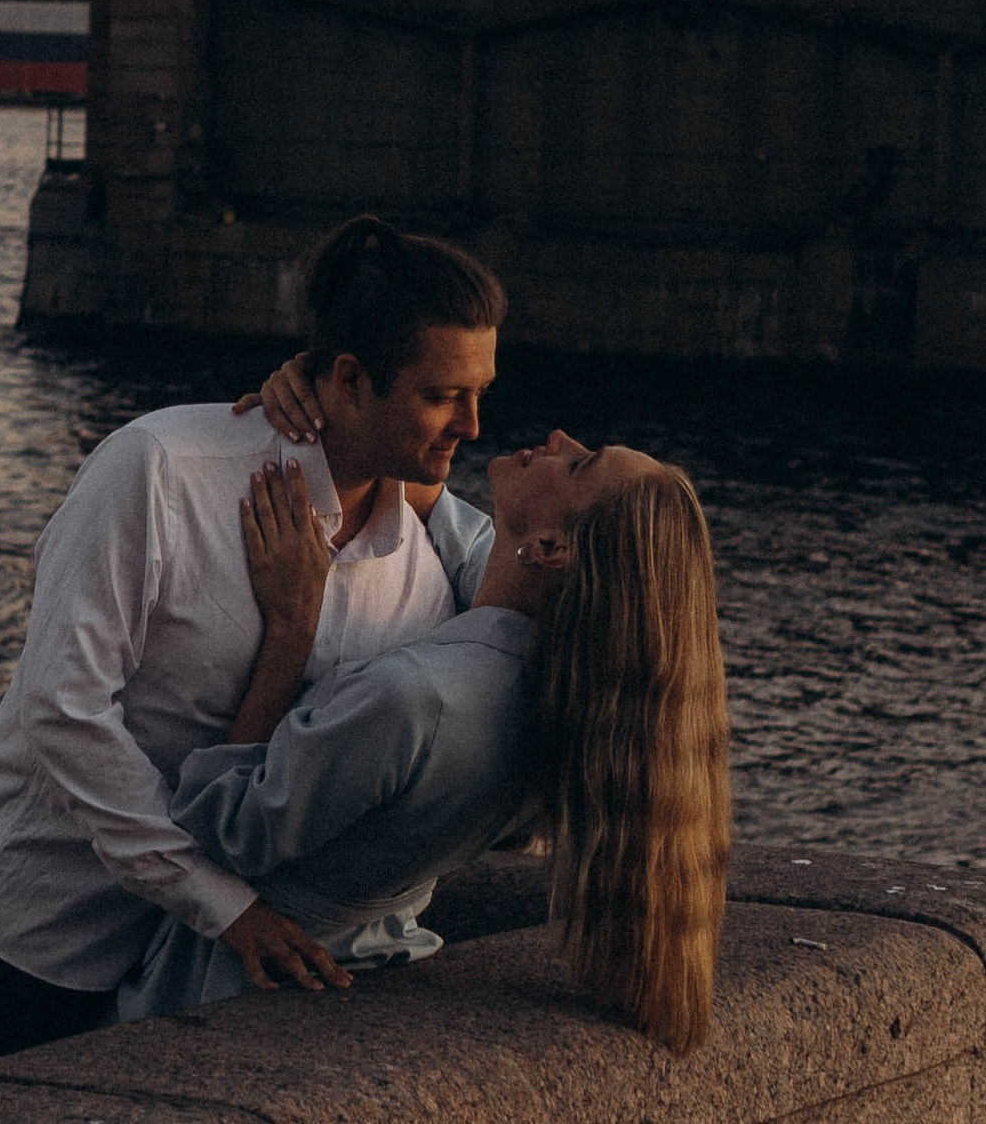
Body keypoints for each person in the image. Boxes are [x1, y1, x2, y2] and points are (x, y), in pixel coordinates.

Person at [0, 215, 505, 1069]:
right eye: (443, 395)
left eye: (481, 391)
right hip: (34, 933)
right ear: (346, 379)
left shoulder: (424, 575)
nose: (474, 425)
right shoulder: (162, 468)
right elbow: (61, 706)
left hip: (194, 976)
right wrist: (219, 902)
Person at [114, 429, 730, 1055]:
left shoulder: (414, 699)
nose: (559, 439)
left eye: (578, 464)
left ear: (550, 548)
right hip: (371, 974)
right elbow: (462, 533)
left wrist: (292, 630)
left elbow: (221, 822)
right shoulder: (573, 691)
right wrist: (334, 404)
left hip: (233, 999)